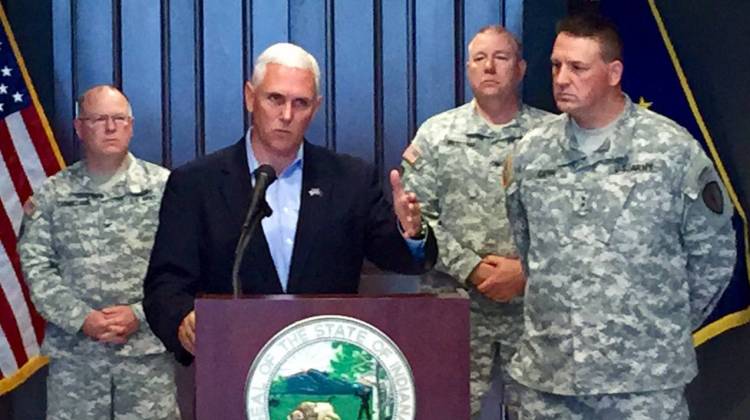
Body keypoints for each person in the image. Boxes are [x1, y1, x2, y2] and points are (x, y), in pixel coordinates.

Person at [143, 43, 436, 365]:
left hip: (327, 362)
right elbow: (165, 283)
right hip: (232, 361)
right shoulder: (196, 183)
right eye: (275, 99)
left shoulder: (350, 179)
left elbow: (402, 259)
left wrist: (412, 233)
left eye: (301, 103)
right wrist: (182, 320)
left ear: (316, 107)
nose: (286, 115)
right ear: (250, 96)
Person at [503, 14, 736, 419]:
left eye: (578, 67)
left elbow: (712, 259)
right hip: (550, 381)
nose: (561, 78)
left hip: (643, 385)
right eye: (556, 65)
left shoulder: (671, 151)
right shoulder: (530, 154)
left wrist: (653, 327)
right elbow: (529, 251)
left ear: (614, 72)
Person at [400, 25, 552, 418]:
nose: (489, 67)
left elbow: (570, 222)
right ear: (468, 69)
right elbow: (421, 218)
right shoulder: (436, 135)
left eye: (501, 58)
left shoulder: (551, 137)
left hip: (533, 306)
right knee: (444, 408)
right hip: (454, 304)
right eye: (479, 58)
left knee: (541, 411)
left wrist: (525, 272)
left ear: (520, 69)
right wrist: (472, 268)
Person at [17, 85, 178, 419]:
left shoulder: (166, 189)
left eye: (119, 119)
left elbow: (183, 267)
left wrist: (140, 312)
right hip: (76, 368)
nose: (110, 127)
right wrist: (81, 318)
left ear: (131, 125)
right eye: (99, 119)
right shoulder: (52, 194)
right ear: (79, 127)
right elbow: (35, 266)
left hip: (145, 363)